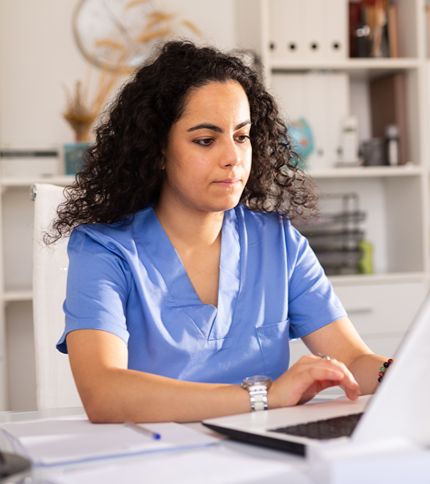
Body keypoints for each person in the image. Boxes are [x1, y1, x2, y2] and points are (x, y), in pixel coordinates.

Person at [52, 41, 389, 423]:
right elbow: (104, 393)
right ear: (157, 150)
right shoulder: (104, 250)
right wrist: (266, 396)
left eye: (241, 136)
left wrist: (398, 372)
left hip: (263, 456)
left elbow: (355, 360)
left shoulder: (278, 242)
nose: (232, 157)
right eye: (205, 140)